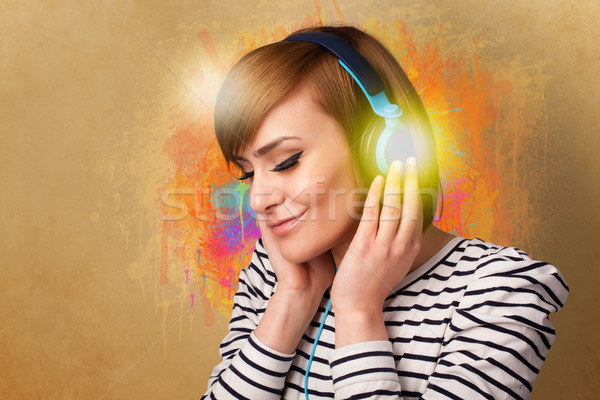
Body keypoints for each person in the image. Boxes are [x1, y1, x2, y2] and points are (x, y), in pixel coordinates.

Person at [201, 25, 568, 400]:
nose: (257, 201)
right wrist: (292, 299)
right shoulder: (276, 271)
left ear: (383, 148)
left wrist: (358, 311)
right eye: (248, 173)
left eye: (286, 162)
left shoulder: (499, 291)